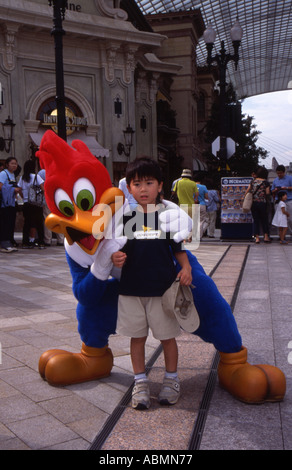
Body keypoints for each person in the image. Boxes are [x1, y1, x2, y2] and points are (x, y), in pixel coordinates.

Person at [112, 157, 193, 410]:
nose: (143, 189)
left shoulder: (168, 216)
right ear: (129, 187)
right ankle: (140, 381)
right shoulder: (124, 217)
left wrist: (186, 267)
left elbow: (177, 247)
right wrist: (115, 258)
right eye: (137, 184)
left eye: (149, 183)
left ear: (160, 186)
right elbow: (115, 249)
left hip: (162, 289)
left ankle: (171, 379)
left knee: (167, 337)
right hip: (131, 289)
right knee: (137, 338)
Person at [18, 160, 45, 249]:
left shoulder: (22, 178)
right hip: (36, 203)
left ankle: (25, 242)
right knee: (39, 223)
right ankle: (41, 242)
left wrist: (24, 197)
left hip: (26, 203)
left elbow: (19, 190)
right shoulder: (36, 177)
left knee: (27, 223)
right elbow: (43, 188)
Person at [0, 157, 22, 253]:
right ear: (7, 164)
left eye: (16, 164)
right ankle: (4, 243)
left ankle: (8, 242)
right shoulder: (3, 174)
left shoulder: (13, 175)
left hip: (11, 203)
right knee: (5, 223)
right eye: (12, 163)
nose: (14, 165)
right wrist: (13, 189)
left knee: (10, 223)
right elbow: (1, 187)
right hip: (4, 204)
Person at [245, 166, 271, 244]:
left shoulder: (253, 182)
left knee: (256, 221)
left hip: (254, 203)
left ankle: (257, 238)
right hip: (263, 203)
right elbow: (267, 193)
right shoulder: (266, 182)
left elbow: (248, 191)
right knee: (264, 220)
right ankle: (266, 237)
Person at [38, 169, 64, 246]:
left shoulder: (42, 172)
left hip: (47, 198)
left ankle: (47, 239)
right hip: (58, 197)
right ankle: (61, 239)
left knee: (47, 218)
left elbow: (40, 185)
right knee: (58, 218)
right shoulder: (58, 171)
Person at [271, 164, 292, 236]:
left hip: (288, 200)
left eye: (280, 173)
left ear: (284, 172)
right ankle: (281, 236)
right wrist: (276, 190)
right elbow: (272, 191)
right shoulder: (275, 180)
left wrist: (285, 188)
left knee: (290, 218)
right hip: (278, 202)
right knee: (279, 219)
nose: (279, 174)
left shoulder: (290, 178)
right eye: (278, 173)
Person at [195, 174, 209, 239]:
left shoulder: (192, 186)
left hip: (194, 204)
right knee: (202, 221)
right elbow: (206, 197)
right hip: (202, 204)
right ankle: (199, 235)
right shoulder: (203, 187)